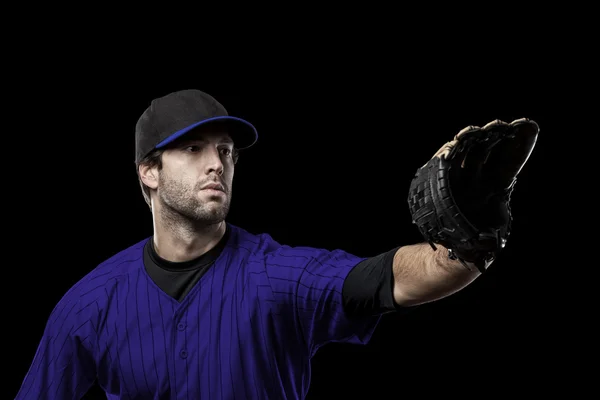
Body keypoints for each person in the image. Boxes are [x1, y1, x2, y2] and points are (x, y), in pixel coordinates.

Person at [15, 89, 536, 399]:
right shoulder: (89, 305)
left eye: (225, 150)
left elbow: (400, 279)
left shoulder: (274, 275)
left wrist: (467, 241)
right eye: (193, 149)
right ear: (148, 171)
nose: (217, 162)